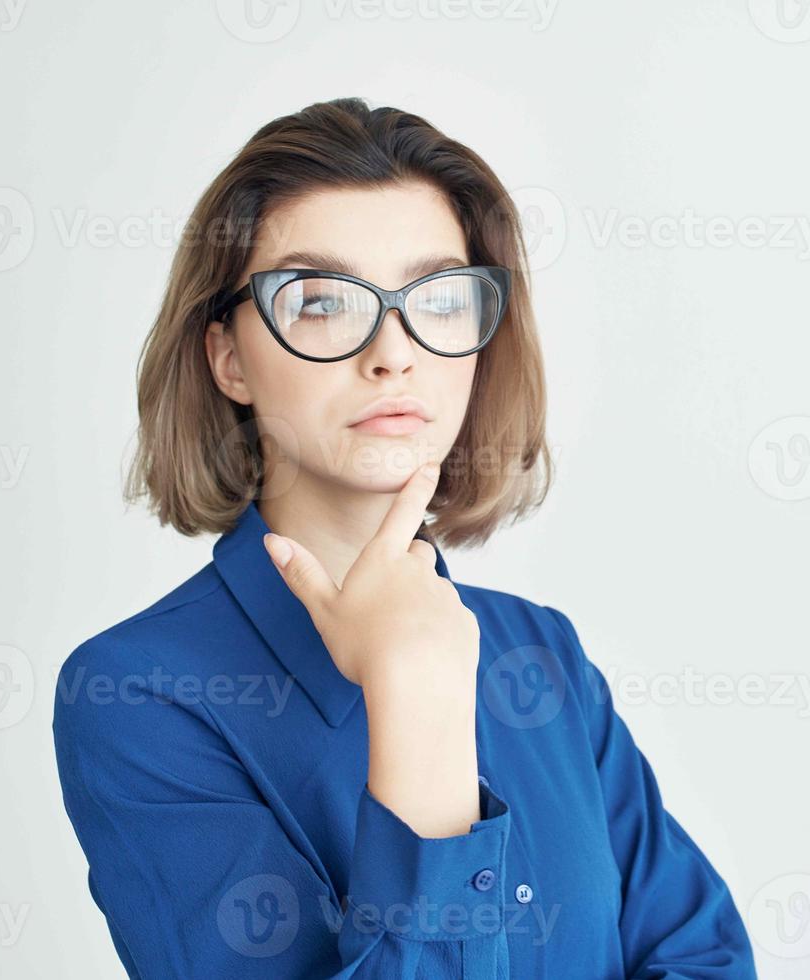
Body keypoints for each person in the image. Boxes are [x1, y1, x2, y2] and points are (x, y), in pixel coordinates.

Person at [51, 97, 758, 979]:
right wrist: (417, 701)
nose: (394, 352)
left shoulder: (543, 654)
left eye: (441, 297)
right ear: (228, 356)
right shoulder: (136, 695)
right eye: (320, 302)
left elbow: (703, 957)